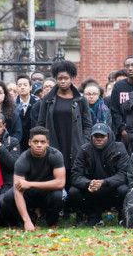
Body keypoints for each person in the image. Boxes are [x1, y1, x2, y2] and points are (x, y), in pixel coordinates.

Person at [37, 60, 92, 189]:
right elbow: (40, 123)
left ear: (71, 78)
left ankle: (73, 204)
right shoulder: (47, 99)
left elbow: (88, 125)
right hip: (54, 142)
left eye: (66, 78)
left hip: (75, 144)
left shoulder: (81, 99)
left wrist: (83, 143)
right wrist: (45, 142)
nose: (63, 81)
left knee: (74, 175)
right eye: (59, 78)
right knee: (56, 172)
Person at [1, 127, 66, 231]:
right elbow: (18, 192)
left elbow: (60, 183)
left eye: (42, 142)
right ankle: (28, 219)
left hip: (48, 192)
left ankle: (52, 221)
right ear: (29, 142)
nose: (39, 145)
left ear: (47, 143)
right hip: (29, 194)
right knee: (8, 197)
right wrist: (27, 221)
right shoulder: (22, 160)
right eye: (35, 142)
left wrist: (30, 184)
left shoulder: (55, 155)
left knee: (59, 195)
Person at [70, 123, 129, 226]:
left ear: (108, 136)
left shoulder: (119, 147)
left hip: (112, 189)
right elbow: (75, 175)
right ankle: (89, 215)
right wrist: (88, 183)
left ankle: (122, 216)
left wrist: (104, 182)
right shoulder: (84, 150)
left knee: (124, 189)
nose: (99, 139)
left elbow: (124, 174)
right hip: (92, 190)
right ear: (91, 137)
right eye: (96, 136)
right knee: (73, 191)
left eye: (102, 136)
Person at [110, 57, 133, 143]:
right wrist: (122, 130)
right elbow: (114, 110)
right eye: (127, 66)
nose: (130, 68)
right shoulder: (118, 86)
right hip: (123, 131)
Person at [15, 75, 39, 152]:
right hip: (17, 143)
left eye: (25, 85)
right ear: (17, 88)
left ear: (30, 87)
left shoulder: (38, 103)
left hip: (34, 141)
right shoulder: (12, 104)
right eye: (19, 85)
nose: (22, 87)